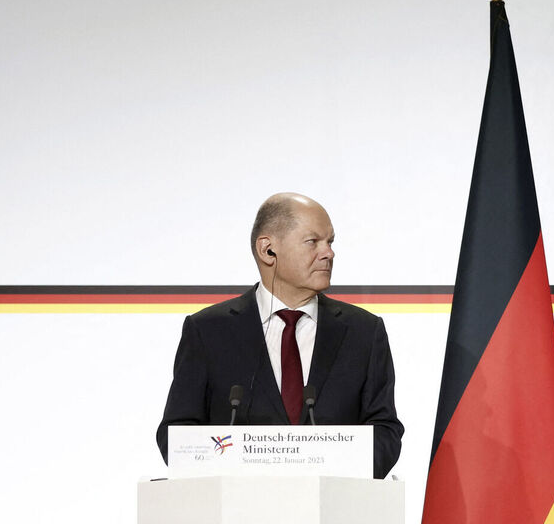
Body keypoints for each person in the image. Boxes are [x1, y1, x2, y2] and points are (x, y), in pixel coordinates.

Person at [156, 192, 404, 478]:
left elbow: (385, 432)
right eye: (313, 242)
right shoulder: (208, 331)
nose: (328, 253)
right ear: (268, 250)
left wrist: (327, 468)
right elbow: (177, 435)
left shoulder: (364, 332)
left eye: (330, 242)